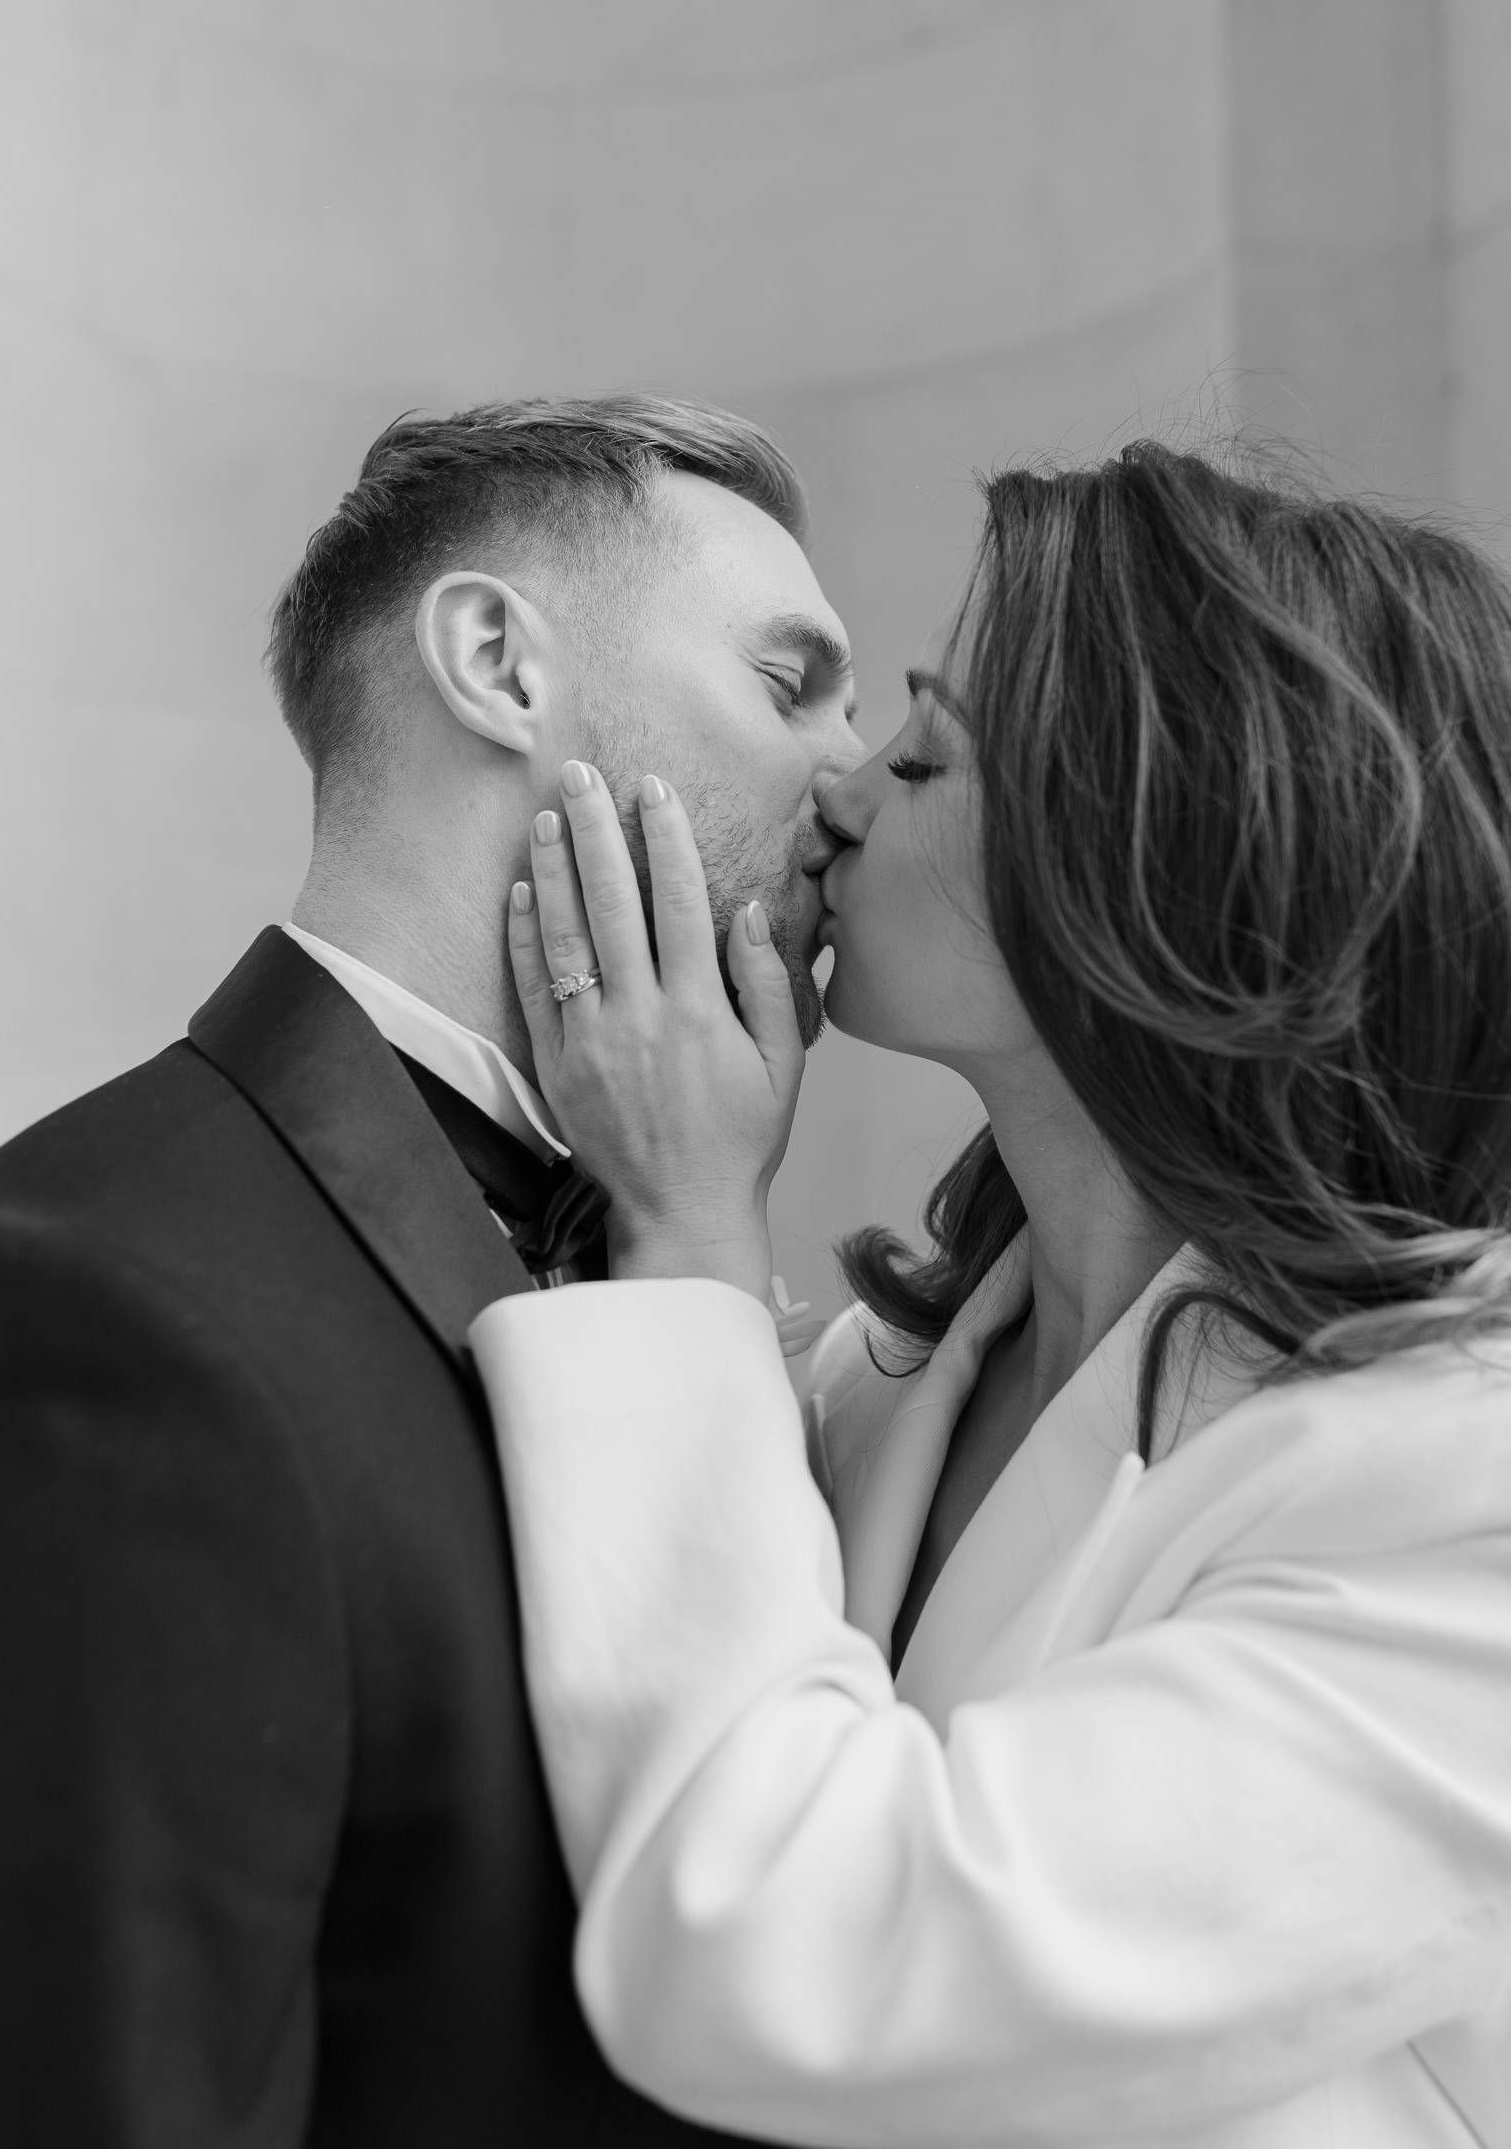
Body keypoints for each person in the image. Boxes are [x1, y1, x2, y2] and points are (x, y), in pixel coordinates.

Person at [472, 444, 1511, 2149]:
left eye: (928, 749)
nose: (840, 791)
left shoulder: (1464, 1482)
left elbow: (804, 1961)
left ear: (1158, 849)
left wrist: (690, 1219)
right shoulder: (875, 1390)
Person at [0, 395, 859, 2146]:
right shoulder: (100, 1302)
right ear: (496, 664)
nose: (853, 781)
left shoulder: (677, 1262)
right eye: (788, 681)